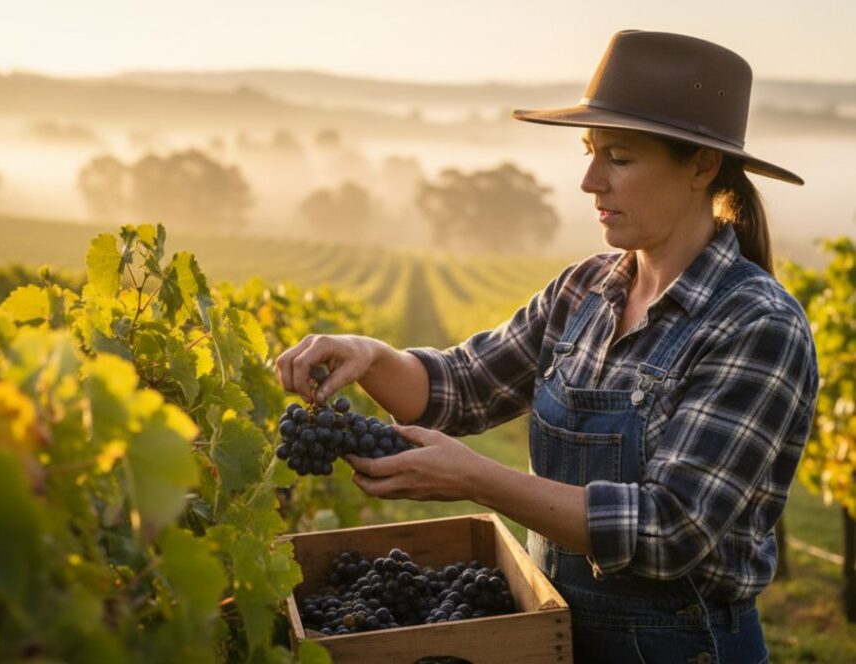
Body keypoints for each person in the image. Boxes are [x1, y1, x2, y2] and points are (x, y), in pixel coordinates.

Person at [275, 30, 818, 663]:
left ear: (700, 166)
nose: (590, 181)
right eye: (591, 152)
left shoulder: (757, 324)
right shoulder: (586, 289)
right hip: (554, 632)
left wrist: (478, 480)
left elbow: (671, 529)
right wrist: (370, 353)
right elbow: (462, 386)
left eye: (619, 158)